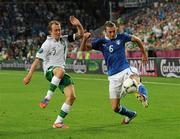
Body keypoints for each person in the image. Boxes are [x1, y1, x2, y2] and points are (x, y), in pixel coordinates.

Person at [80, 21, 148, 124]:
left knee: (134, 76)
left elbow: (137, 39)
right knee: (115, 107)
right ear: (105, 32)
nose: (112, 34)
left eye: (114, 31)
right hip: (113, 77)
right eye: (110, 32)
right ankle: (130, 114)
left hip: (125, 69)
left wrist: (144, 53)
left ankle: (143, 94)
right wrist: (84, 39)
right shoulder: (101, 42)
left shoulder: (122, 37)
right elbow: (83, 50)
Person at [23, 16, 84, 128]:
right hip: (50, 71)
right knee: (60, 71)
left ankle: (58, 122)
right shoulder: (47, 44)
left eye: (59, 29)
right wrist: (29, 75)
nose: (58, 32)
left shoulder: (64, 39)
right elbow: (37, 60)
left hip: (60, 72)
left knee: (71, 96)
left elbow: (81, 34)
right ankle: (47, 97)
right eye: (55, 30)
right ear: (50, 32)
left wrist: (78, 24)